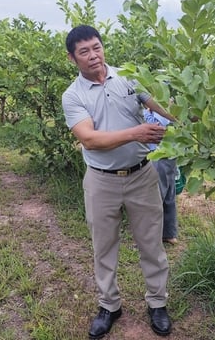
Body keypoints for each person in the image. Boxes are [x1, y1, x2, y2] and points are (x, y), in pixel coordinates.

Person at [61, 24, 175, 338]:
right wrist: (137, 133)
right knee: (104, 247)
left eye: (96, 47)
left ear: (102, 47)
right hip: (101, 182)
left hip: (141, 174)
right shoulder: (73, 96)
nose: (93, 55)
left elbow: (157, 105)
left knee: (151, 243)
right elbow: (90, 139)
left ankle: (157, 302)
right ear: (73, 58)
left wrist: (194, 122)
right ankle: (109, 305)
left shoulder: (128, 75)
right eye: (84, 51)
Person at [145, 108, 178, 245]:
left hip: (161, 153)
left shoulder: (161, 103)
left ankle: (152, 237)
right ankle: (169, 234)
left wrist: (144, 113)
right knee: (168, 194)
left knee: (156, 196)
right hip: (167, 153)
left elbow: (159, 127)